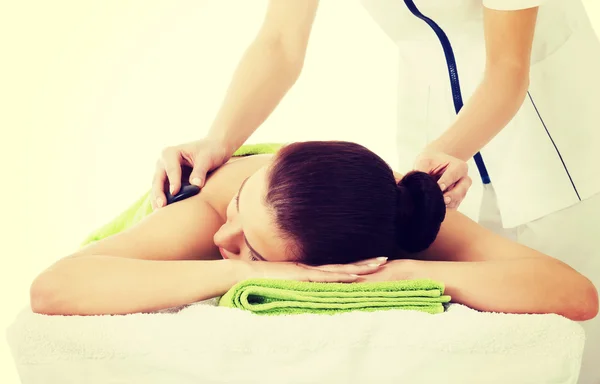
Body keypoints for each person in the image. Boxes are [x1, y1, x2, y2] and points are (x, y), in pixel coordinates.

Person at [150, 2, 600, 381]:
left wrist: (448, 151)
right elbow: (281, 43)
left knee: (575, 341)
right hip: (429, 115)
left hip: (551, 130)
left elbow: (508, 68)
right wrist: (220, 140)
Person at [30, 141, 597, 326]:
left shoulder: (394, 209)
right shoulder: (214, 206)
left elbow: (574, 294)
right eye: (241, 212)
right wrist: (244, 266)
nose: (225, 233)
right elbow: (55, 288)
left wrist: (404, 271)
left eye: (249, 244)